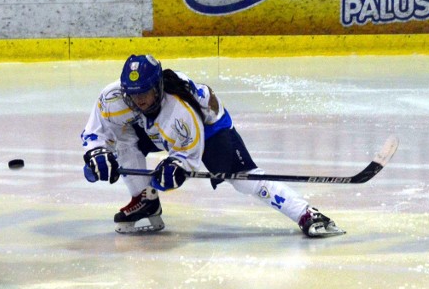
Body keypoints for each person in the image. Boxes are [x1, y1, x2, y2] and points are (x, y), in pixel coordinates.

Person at [81, 54, 345, 237]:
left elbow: (187, 155)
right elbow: (96, 132)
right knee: (124, 139)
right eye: (133, 94)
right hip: (156, 128)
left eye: (145, 94)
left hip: (209, 127)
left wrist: (175, 168)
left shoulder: (180, 110)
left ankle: (305, 213)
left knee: (244, 180)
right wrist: (97, 154)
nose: (138, 100)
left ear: (158, 87)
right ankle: (145, 201)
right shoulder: (113, 98)